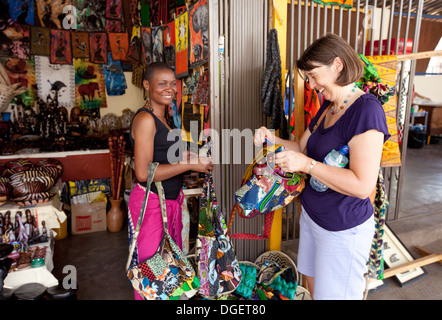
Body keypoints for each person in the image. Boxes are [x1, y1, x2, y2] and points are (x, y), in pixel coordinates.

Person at [254, 34, 390, 300]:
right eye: (309, 79)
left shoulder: (367, 111)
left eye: (314, 76)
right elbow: (302, 148)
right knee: (317, 292)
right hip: (313, 219)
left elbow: (363, 186)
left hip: (342, 229)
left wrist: (309, 165)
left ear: (337, 65)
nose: (313, 85)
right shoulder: (329, 105)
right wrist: (272, 140)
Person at [128, 62, 213, 300]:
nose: (170, 89)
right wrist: (188, 165)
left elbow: (163, 156)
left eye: (172, 83)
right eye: (162, 83)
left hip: (169, 203)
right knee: (153, 273)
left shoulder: (164, 118)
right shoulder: (146, 120)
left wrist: (192, 158)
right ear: (146, 85)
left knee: (167, 271)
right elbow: (143, 173)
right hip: (152, 205)